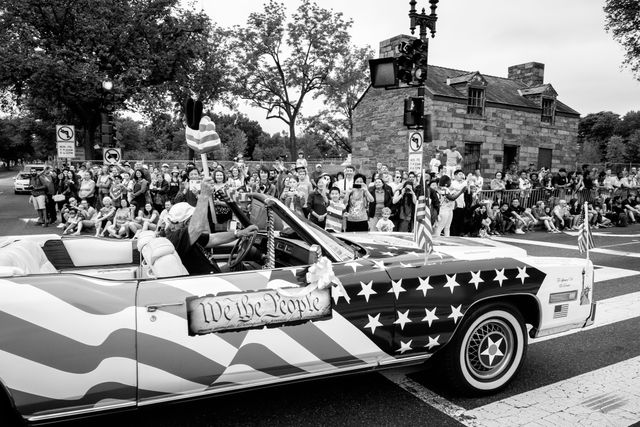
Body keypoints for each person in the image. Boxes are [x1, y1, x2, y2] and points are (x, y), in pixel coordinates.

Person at [164, 179, 258, 275]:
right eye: (192, 218)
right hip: (207, 282)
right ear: (185, 222)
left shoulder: (188, 236)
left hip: (213, 273)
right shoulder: (175, 239)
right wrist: (204, 195)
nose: (195, 219)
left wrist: (238, 234)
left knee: (242, 266)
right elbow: (197, 227)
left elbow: (212, 239)